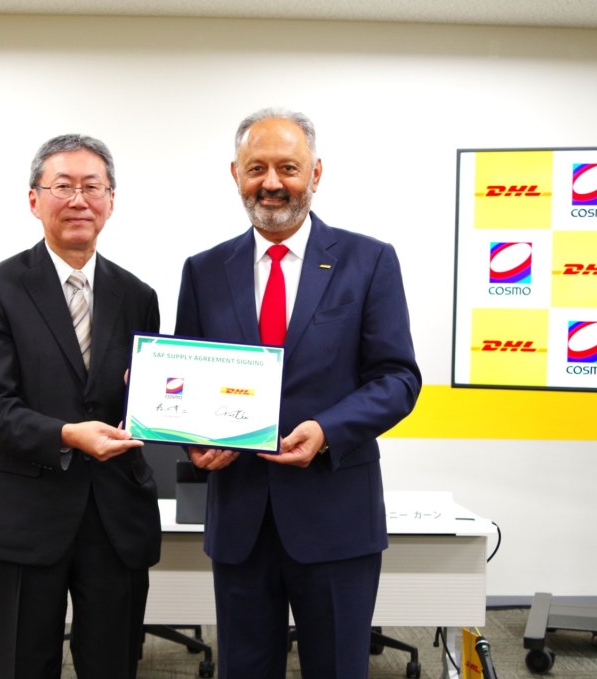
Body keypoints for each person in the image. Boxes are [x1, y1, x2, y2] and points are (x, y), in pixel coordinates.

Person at [174, 108, 422, 679]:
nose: (271, 182)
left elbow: (397, 379)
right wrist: (192, 440)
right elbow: (188, 380)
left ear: (315, 173)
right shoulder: (204, 271)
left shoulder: (369, 260)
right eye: (256, 167)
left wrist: (326, 430)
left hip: (336, 515)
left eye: (287, 167)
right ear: (235, 174)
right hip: (240, 518)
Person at [0, 133, 161, 679]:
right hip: (28, 512)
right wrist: (68, 434)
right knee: (27, 665)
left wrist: (153, 404)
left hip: (117, 514)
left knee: (114, 665)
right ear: (35, 199)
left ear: (110, 201)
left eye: (92, 187)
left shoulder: (138, 295)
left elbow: (148, 400)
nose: (79, 200)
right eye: (63, 186)